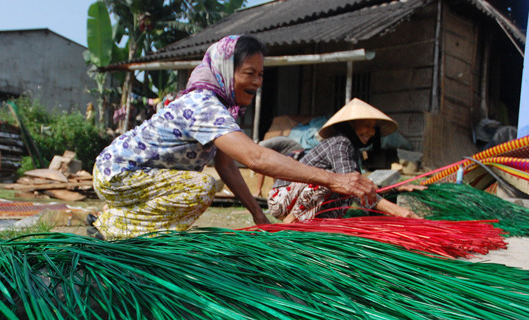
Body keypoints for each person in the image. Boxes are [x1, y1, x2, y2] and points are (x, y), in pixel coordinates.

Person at [90, 35, 377, 240]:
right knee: (201, 186)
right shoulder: (203, 106)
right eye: (249, 73)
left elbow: (226, 166)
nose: (257, 82)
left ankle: (113, 226)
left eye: (261, 75)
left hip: (132, 175)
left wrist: (258, 215)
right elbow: (256, 157)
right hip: (119, 174)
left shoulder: (223, 110)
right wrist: (335, 179)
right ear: (226, 71)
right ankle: (111, 229)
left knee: (202, 184)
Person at [267, 98, 423, 223]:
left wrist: (394, 188)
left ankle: (315, 225)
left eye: (373, 127)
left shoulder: (351, 148)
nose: (371, 131)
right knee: (331, 180)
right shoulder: (340, 143)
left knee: (345, 185)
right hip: (281, 199)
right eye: (366, 125)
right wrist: (400, 212)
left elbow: (359, 185)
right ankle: (291, 223)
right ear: (351, 125)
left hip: (301, 199)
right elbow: (353, 188)